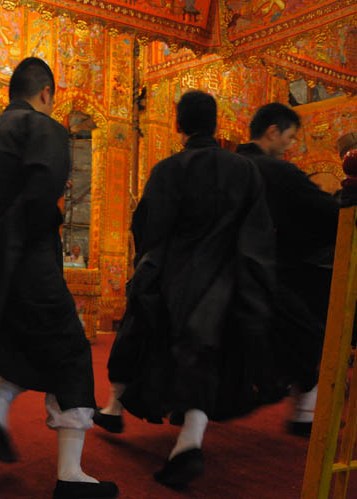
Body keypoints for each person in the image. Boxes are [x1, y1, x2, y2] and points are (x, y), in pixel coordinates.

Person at [101, 91, 279, 487]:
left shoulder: (167, 170)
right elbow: (259, 231)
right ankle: (187, 441)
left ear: (178, 125)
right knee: (205, 357)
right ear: (216, 125)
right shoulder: (244, 170)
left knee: (146, 344)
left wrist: (149, 268)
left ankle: (131, 417)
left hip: (171, 277)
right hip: (225, 280)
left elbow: (147, 226)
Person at [0, 57, 118, 499]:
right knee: (70, 352)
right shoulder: (43, 128)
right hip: (29, 262)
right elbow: (42, 196)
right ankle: (70, 474)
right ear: (46, 93)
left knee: (22, 346)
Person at [237, 103, 339, 436]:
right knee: (308, 330)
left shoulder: (228, 165)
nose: (290, 145)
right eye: (291, 137)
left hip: (210, 271)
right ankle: (304, 410)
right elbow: (323, 212)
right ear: (273, 131)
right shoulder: (276, 171)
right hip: (264, 274)